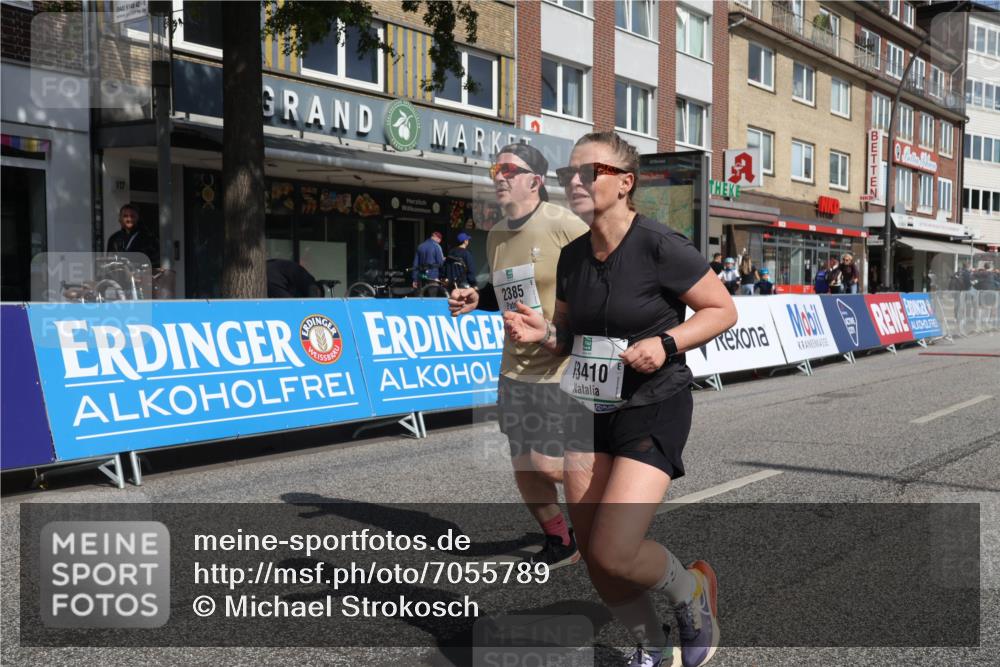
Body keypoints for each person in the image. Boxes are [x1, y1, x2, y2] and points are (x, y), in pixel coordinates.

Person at [504, 132, 736, 667]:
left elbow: (721, 310)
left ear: (625, 183)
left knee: (616, 548)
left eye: (590, 172)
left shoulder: (660, 245)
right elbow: (568, 334)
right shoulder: (572, 257)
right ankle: (652, 646)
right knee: (595, 556)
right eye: (570, 174)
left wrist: (666, 342)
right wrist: (543, 334)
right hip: (587, 408)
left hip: (653, 404)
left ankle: (690, 592)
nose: (576, 182)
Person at [448, 143, 590, 568]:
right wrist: (479, 297)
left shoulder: (565, 225)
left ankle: (611, 500)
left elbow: (599, 287)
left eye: (510, 168)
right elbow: (508, 290)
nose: (499, 176)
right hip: (514, 368)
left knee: (547, 465)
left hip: (559, 365)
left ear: (536, 180)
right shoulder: (495, 234)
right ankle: (561, 540)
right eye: (495, 168)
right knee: (525, 467)